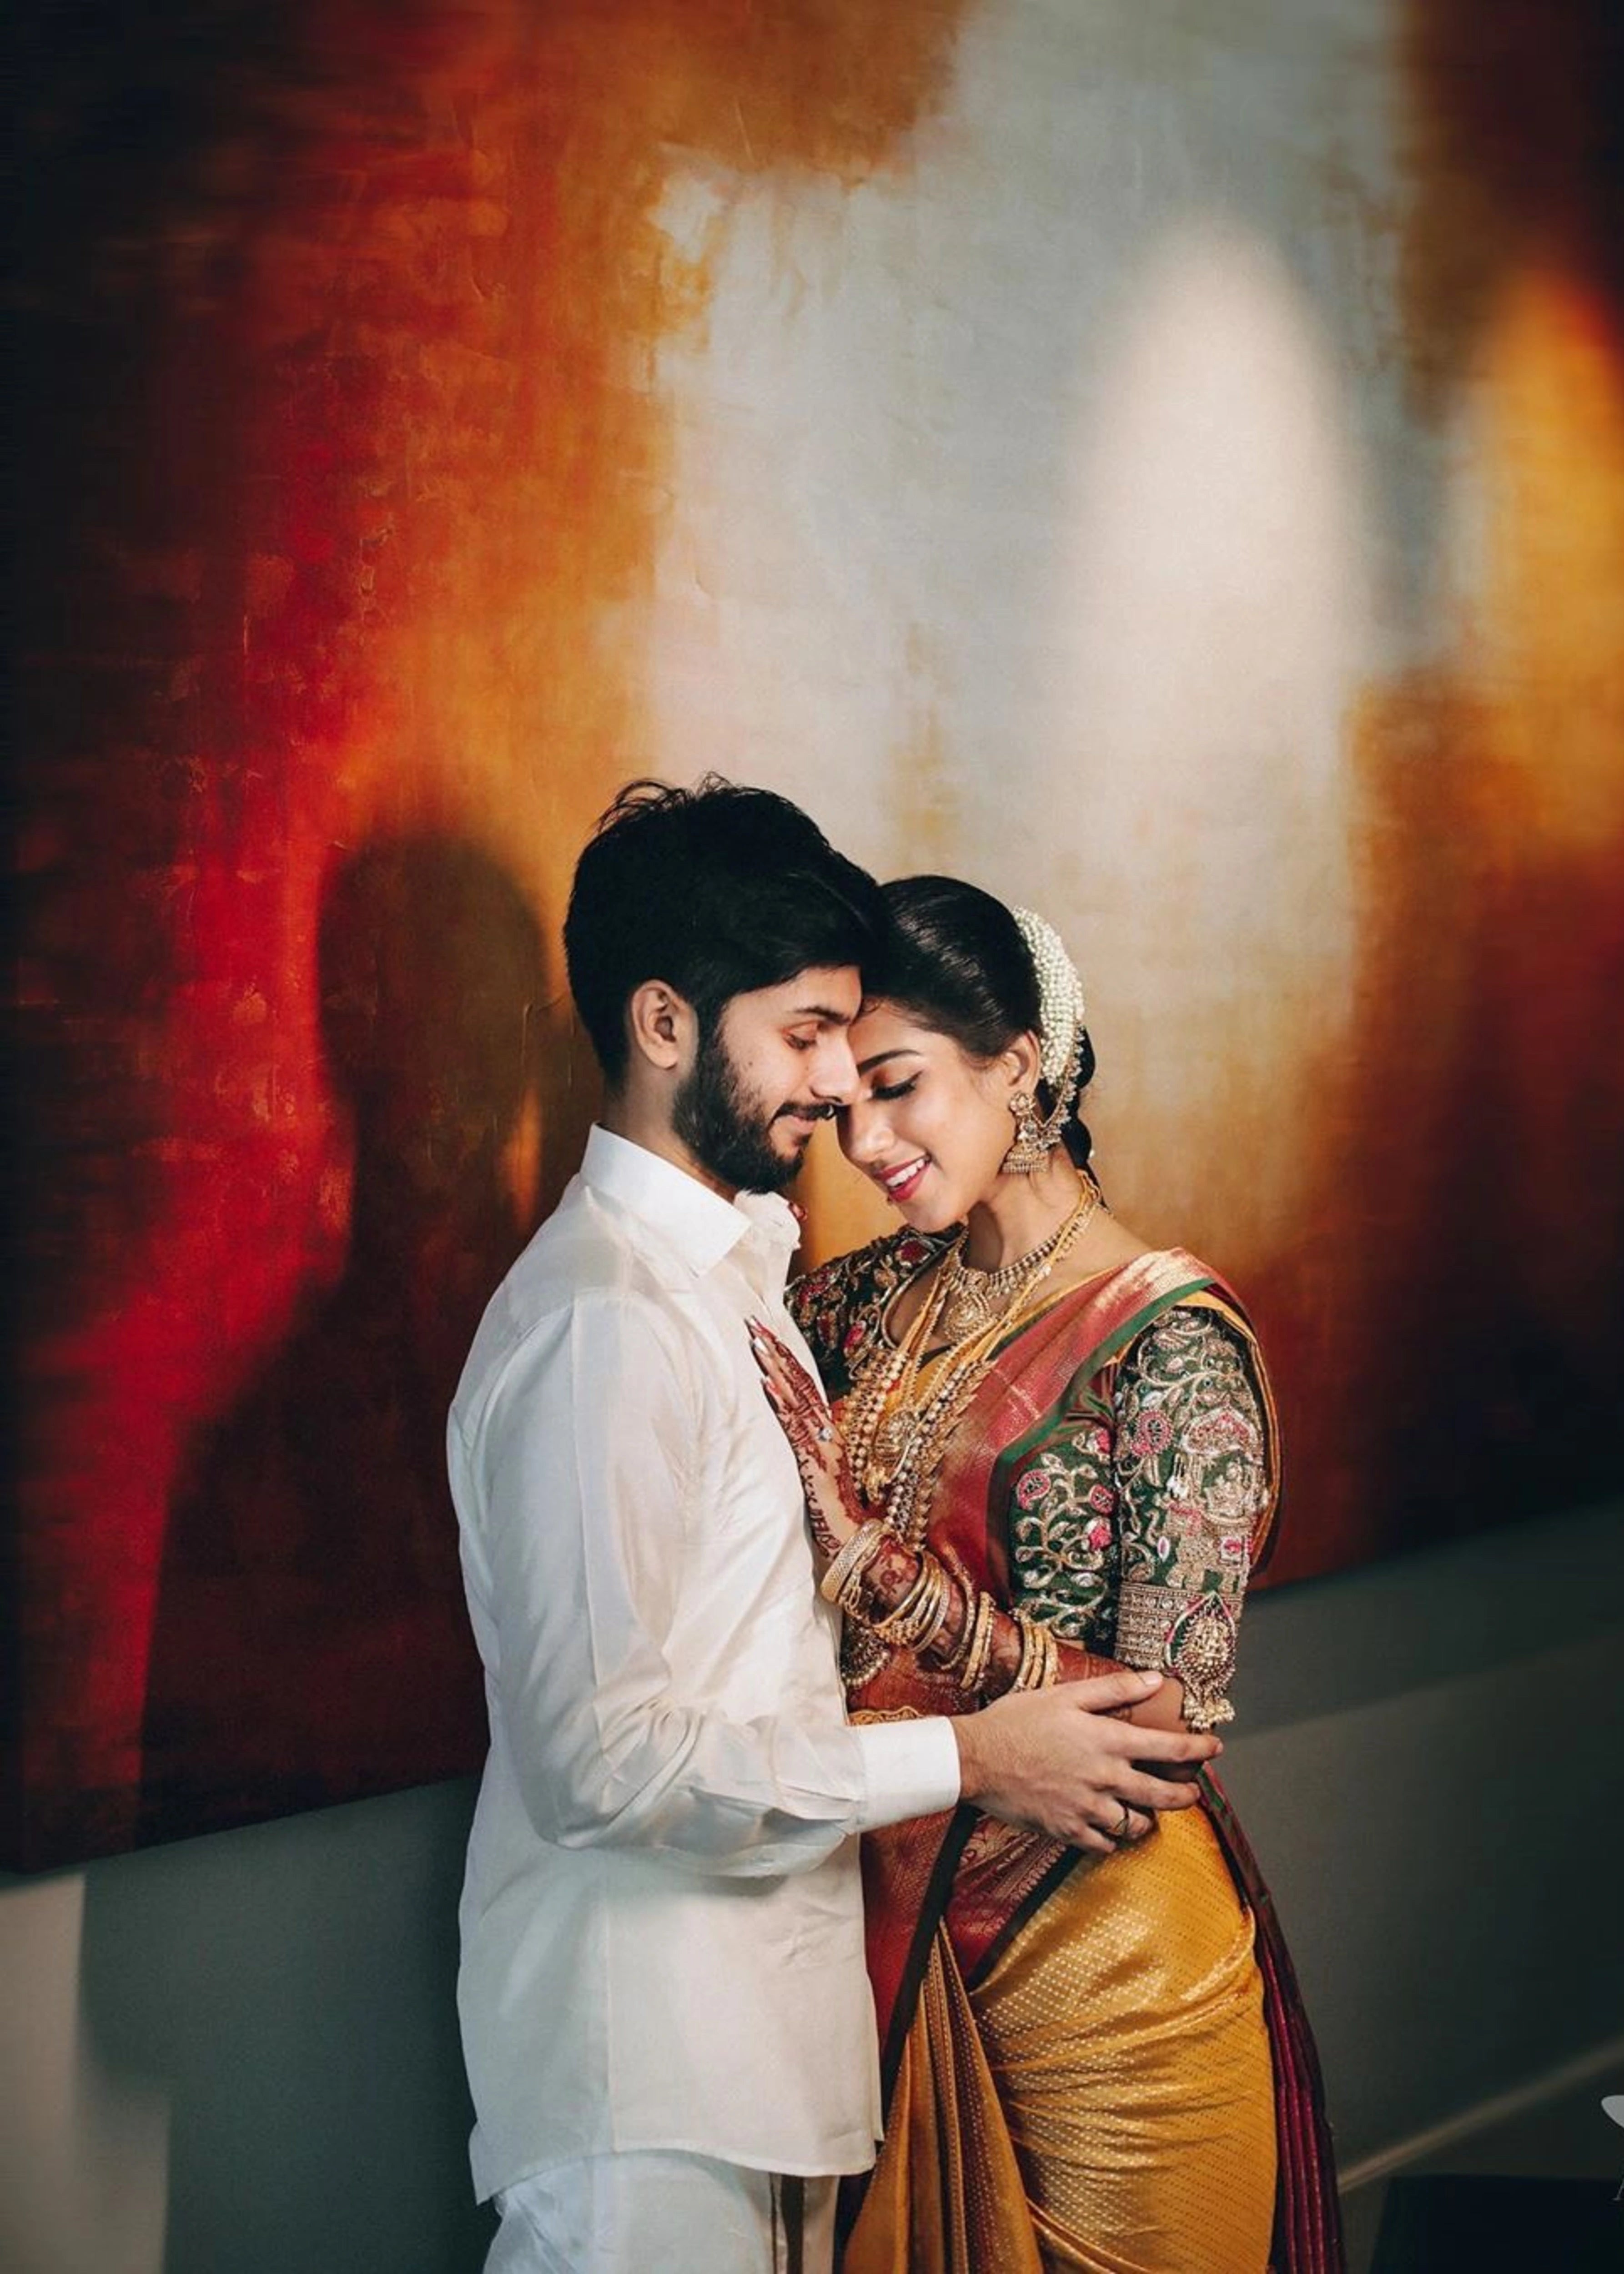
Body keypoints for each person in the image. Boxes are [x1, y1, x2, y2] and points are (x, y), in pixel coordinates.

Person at [447, 783, 1224, 2274]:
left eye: (857, 1048)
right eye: (805, 1036)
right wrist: (974, 1757)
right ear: (664, 1025)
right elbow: (605, 1765)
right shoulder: (608, 1322)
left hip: (766, 2046)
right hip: (647, 2074)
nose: (833, 1092)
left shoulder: (743, 1280)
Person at [752, 876, 1346, 2274]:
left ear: (1018, 1063)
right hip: (886, 1923)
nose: (867, 1142)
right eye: (843, 1107)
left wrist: (881, 1574)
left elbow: (1161, 1728)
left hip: (1104, 1962)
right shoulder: (857, 1303)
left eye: (899, 1086)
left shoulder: (1172, 1344)